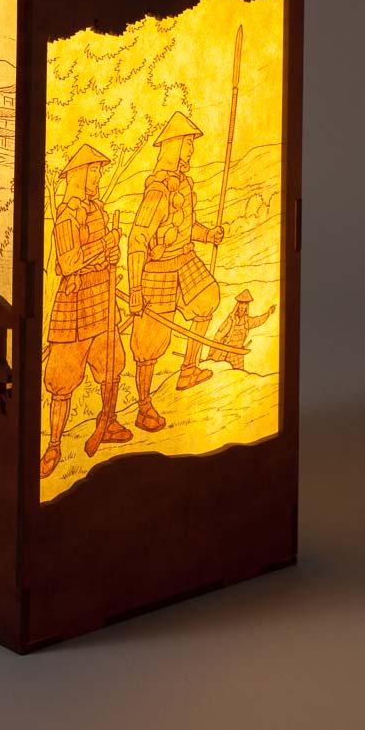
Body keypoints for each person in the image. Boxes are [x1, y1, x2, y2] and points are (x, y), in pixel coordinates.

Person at [128, 111, 224, 431]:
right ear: (174, 145)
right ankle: (143, 407)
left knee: (207, 298)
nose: (191, 151)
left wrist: (208, 234)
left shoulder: (182, 184)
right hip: (158, 271)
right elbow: (138, 239)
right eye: (188, 145)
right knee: (150, 343)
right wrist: (136, 289)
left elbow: (184, 227)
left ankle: (188, 369)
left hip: (184, 260)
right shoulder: (158, 191)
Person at [40, 144, 131, 479]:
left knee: (112, 365)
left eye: (99, 172)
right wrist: (104, 245)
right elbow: (68, 262)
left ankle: (108, 421)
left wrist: (111, 254)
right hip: (75, 305)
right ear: (79, 174)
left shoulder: (96, 210)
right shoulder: (67, 216)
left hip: (102, 297)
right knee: (61, 380)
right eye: (94, 171)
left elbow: (101, 254)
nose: (98, 178)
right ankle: (53, 445)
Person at [206, 289, 276, 370]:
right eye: (241, 303)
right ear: (238, 305)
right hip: (225, 354)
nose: (243, 306)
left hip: (238, 356)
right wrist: (213, 353)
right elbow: (219, 335)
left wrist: (268, 313)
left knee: (238, 374)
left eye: (245, 304)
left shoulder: (247, 321)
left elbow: (258, 320)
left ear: (247, 306)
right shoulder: (231, 320)